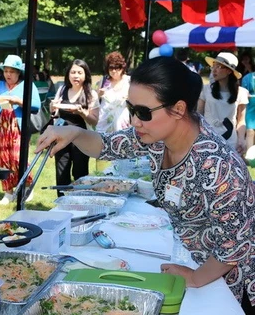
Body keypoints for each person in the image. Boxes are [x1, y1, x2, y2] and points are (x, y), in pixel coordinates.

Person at [36, 56, 255, 313]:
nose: (135, 121)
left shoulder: (218, 166)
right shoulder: (157, 135)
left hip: (230, 281)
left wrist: (195, 278)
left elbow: (235, 245)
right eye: (131, 108)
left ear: (179, 109)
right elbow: (106, 146)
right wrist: (74, 133)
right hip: (195, 255)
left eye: (143, 112)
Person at [0, 55, 41, 205]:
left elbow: (36, 106)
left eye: (12, 71)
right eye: (6, 71)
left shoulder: (27, 85)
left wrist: (17, 101)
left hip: (18, 126)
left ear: (19, 73)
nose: (8, 74)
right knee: (3, 158)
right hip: (3, 127)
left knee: (18, 158)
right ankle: (8, 192)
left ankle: (27, 187)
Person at [50, 59, 99, 197]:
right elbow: (54, 112)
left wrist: (82, 113)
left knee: (80, 172)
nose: (76, 76)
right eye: (73, 72)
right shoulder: (62, 89)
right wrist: (53, 107)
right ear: (68, 74)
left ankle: (80, 201)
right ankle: (61, 202)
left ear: (85, 75)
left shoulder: (91, 94)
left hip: (81, 138)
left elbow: (94, 121)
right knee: (61, 171)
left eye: (79, 72)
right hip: (61, 136)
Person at [198, 52, 248, 155]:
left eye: (219, 66)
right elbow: (198, 116)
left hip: (230, 143)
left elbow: (241, 121)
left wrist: (241, 139)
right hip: (207, 141)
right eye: (213, 66)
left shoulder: (241, 93)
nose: (214, 70)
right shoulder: (206, 90)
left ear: (229, 71)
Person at [95, 52, 131, 134]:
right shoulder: (104, 80)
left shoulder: (129, 81)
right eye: (111, 68)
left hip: (123, 122)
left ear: (122, 68)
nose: (114, 71)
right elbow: (95, 101)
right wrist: (99, 94)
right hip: (104, 121)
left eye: (117, 68)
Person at [241, 70, 255, 157]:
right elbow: (243, 92)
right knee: (250, 131)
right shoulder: (248, 77)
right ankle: (250, 157)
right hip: (250, 107)